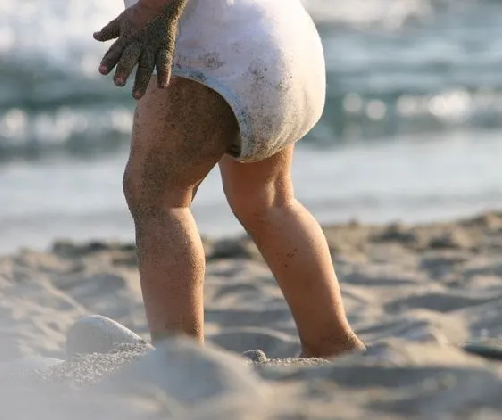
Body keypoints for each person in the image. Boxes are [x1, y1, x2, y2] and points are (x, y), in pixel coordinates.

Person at [93, 0, 365, 358]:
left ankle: (181, 362)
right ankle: (331, 343)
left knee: (157, 197)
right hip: (283, 41)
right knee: (268, 201)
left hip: (220, 51)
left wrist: (152, 11)